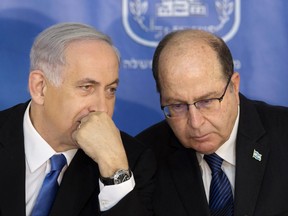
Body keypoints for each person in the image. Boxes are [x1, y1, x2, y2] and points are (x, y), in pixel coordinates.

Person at [0, 22, 156, 216]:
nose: (101, 108)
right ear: (40, 87)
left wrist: (114, 169)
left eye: (111, 90)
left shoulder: (132, 161)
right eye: (86, 87)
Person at [136, 29, 288, 216]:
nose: (195, 123)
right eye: (177, 106)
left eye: (207, 101)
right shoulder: (145, 156)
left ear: (234, 86)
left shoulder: (283, 134)